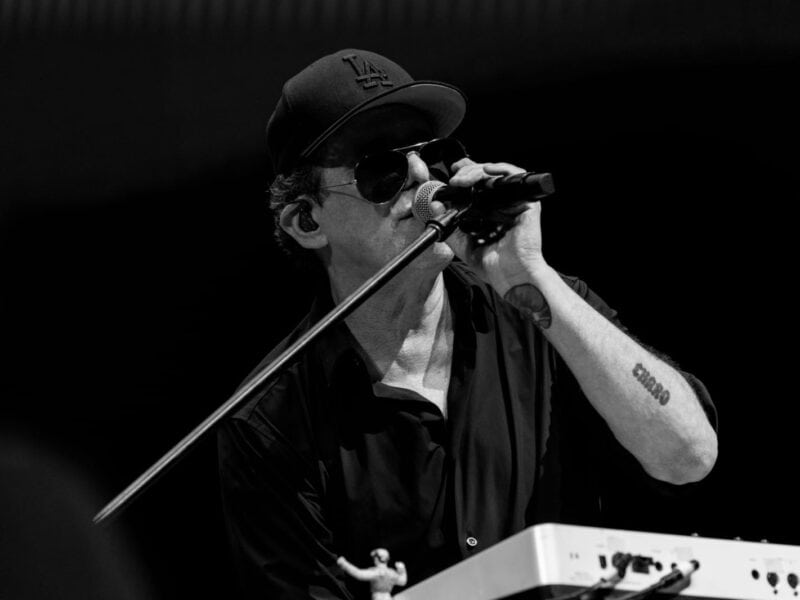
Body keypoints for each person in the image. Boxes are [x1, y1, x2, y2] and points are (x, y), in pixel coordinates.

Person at [217, 48, 718, 599]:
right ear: (307, 221)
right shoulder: (269, 424)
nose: (420, 178)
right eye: (379, 166)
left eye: (432, 155)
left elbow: (687, 457)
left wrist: (530, 274)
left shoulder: (540, 309)